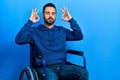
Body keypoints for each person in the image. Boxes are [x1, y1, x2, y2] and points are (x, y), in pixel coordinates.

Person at [15, 3, 88, 80]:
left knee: (83, 73)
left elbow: (79, 36)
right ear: (43, 15)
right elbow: (18, 40)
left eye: (53, 13)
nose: (50, 16)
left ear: (55, 16)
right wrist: (30, 22)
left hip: (62, 66)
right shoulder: (35, 31)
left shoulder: (62, 30)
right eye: (47, 13)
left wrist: (71, 20)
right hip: (44, 67)